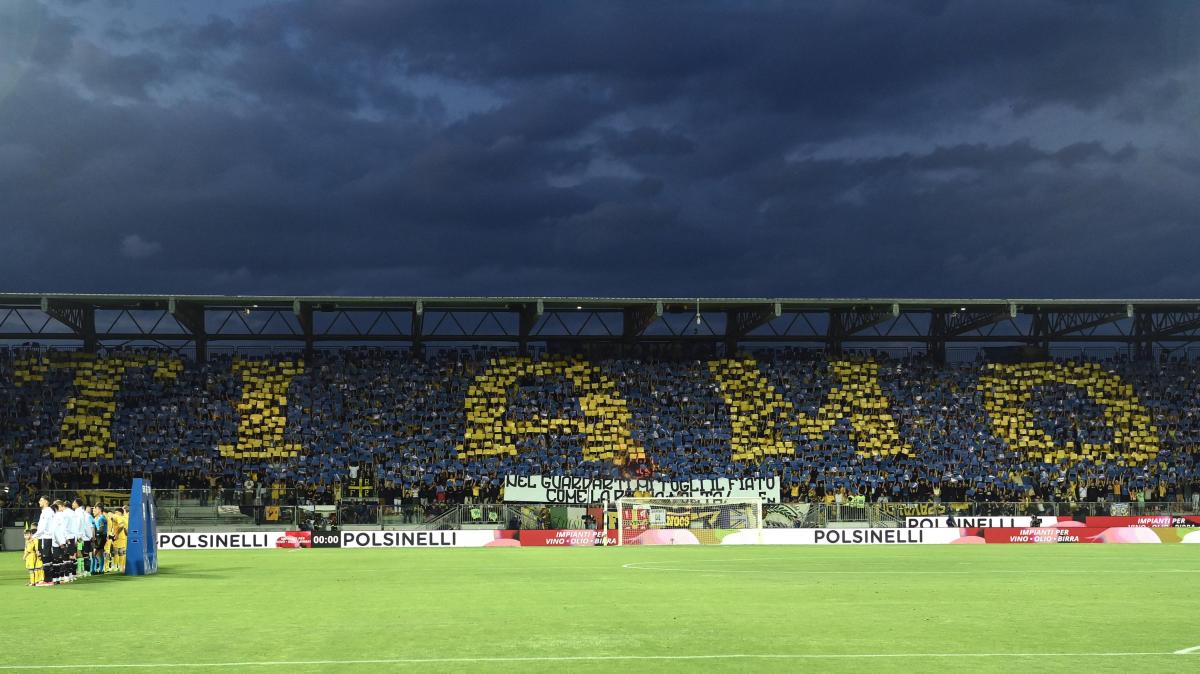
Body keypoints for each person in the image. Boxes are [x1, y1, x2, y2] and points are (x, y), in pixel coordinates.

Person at [33, 497, 56, 586]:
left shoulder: (46, 512)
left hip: (45, 537)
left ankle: (47, 580)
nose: (39, 501)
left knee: (45, 558)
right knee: (48, 558)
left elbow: (42, 528)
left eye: (41, 500)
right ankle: (50, 579)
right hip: (48, 537)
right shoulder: (49, 511)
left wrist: (34, 536)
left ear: (46, 501)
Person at [91, 506, 107, 575]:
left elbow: (101, 529)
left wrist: (96, 535)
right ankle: (100, 570)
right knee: (99, 553)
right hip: (98, 537)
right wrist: (93, 535)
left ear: (99, 510)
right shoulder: (95, 518)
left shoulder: (102, 518)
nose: (93, 511)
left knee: (95, 553)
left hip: (101, 537)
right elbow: (94, 528)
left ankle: (93, 570)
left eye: (95, 509)